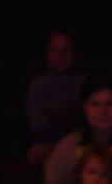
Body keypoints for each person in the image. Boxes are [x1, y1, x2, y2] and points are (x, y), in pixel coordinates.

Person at [22, 29, 87, 162]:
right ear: (47, 54)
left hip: (80, 141)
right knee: (36, 153)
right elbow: (36, 124)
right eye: (54, 50)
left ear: (75, 53)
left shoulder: (84, 82)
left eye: (66, 50)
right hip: (49, 143)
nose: (60, 56)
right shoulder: (38, 84)